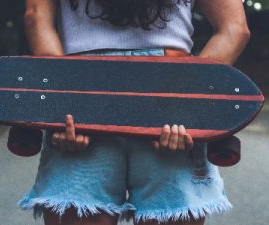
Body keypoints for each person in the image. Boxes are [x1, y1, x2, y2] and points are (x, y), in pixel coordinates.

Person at [19, 0, 250, 225]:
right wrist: (187, 103)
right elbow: (234, 29)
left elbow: (36, 17)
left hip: (82, 96)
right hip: (170, 94)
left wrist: (63, 104)